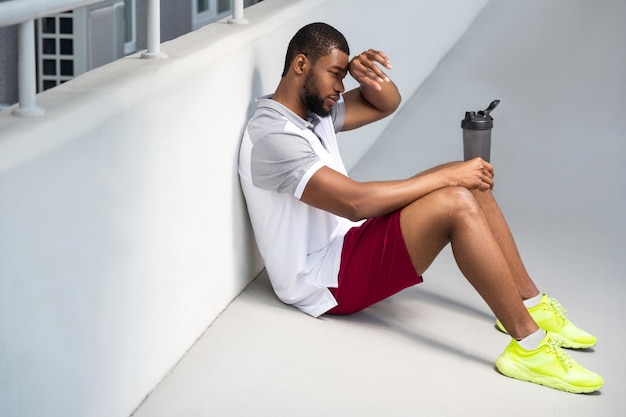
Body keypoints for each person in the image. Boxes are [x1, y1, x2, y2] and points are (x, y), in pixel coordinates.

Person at [238, 22, 603, 393]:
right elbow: (355, 203)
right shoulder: (273, 136)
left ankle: (532, 302)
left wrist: (368, 76)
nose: (340, 87)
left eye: (343, 76)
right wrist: (448, 178)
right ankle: (529, 347)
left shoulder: (312, 112)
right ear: (301, 64)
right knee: (456, 199)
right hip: (322, 282)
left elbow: (387, 103)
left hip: (344, 248)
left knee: (467, 183)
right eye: (335, 74)